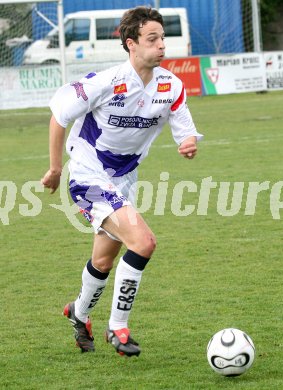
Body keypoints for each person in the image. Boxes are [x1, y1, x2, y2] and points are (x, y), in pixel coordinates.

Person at [41, 6, 203, 356]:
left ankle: (79, 313)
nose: (162, 45)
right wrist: (55, 169)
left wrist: (187, 143)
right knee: (143, 242)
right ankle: (118, 327)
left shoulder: (170, 85)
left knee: (103, 261)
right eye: (152, 39)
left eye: (162, 37)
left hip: (125, 179)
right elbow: (59, 116)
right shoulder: (106, 81)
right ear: (131, 43)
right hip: (88, 175)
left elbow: (184, 130)